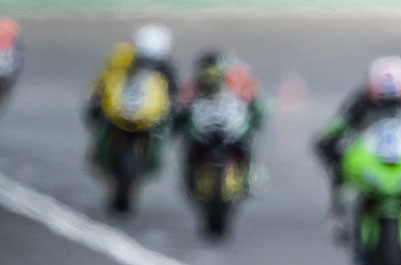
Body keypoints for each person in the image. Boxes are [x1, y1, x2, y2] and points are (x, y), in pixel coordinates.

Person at [313, 56, 401, 255]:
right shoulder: (360, 101)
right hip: (370, 156)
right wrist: (328, 138)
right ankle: (339, 216)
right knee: (340, 169)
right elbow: (340, 123)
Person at [84, 24, 177, 171]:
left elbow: (172, 89)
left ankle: (153, 157)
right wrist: (97, 93)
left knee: (168, 121)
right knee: (94, 107)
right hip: (121, 102)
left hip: (147, 108)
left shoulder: (165, 65)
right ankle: (98, 146)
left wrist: (172, 105)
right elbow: (106, 76)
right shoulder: (122, 55)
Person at [175, 50, 267, 185]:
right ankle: (189, 178)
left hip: (230, 128)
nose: (211, 78)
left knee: (247, 143)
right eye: (208, 73)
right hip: (204, 130)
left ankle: (250, 174)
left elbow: (255, 105)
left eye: (215, 73)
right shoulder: (191, 88)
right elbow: (180, 109)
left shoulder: (238, 85)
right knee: (188, 146)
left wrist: (253, 116)